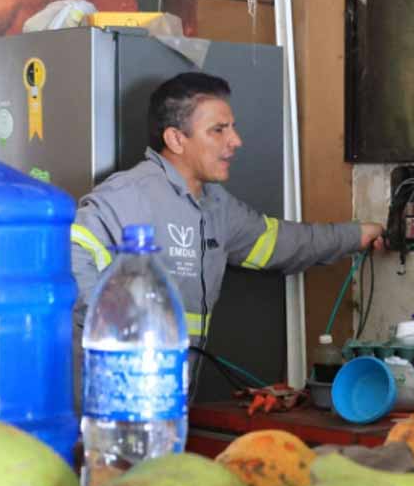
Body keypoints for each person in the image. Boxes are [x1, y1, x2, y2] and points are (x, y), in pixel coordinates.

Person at [71, 72, 385, 393]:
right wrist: (119, 342)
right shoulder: (129, 195)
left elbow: (281, 243)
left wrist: (356, 235)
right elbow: (69, 263)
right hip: (112, 398)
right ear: (176, 139)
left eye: (232, 128)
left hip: (169, 399)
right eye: (218, 130)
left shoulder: (216, 206)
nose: (235, 141)